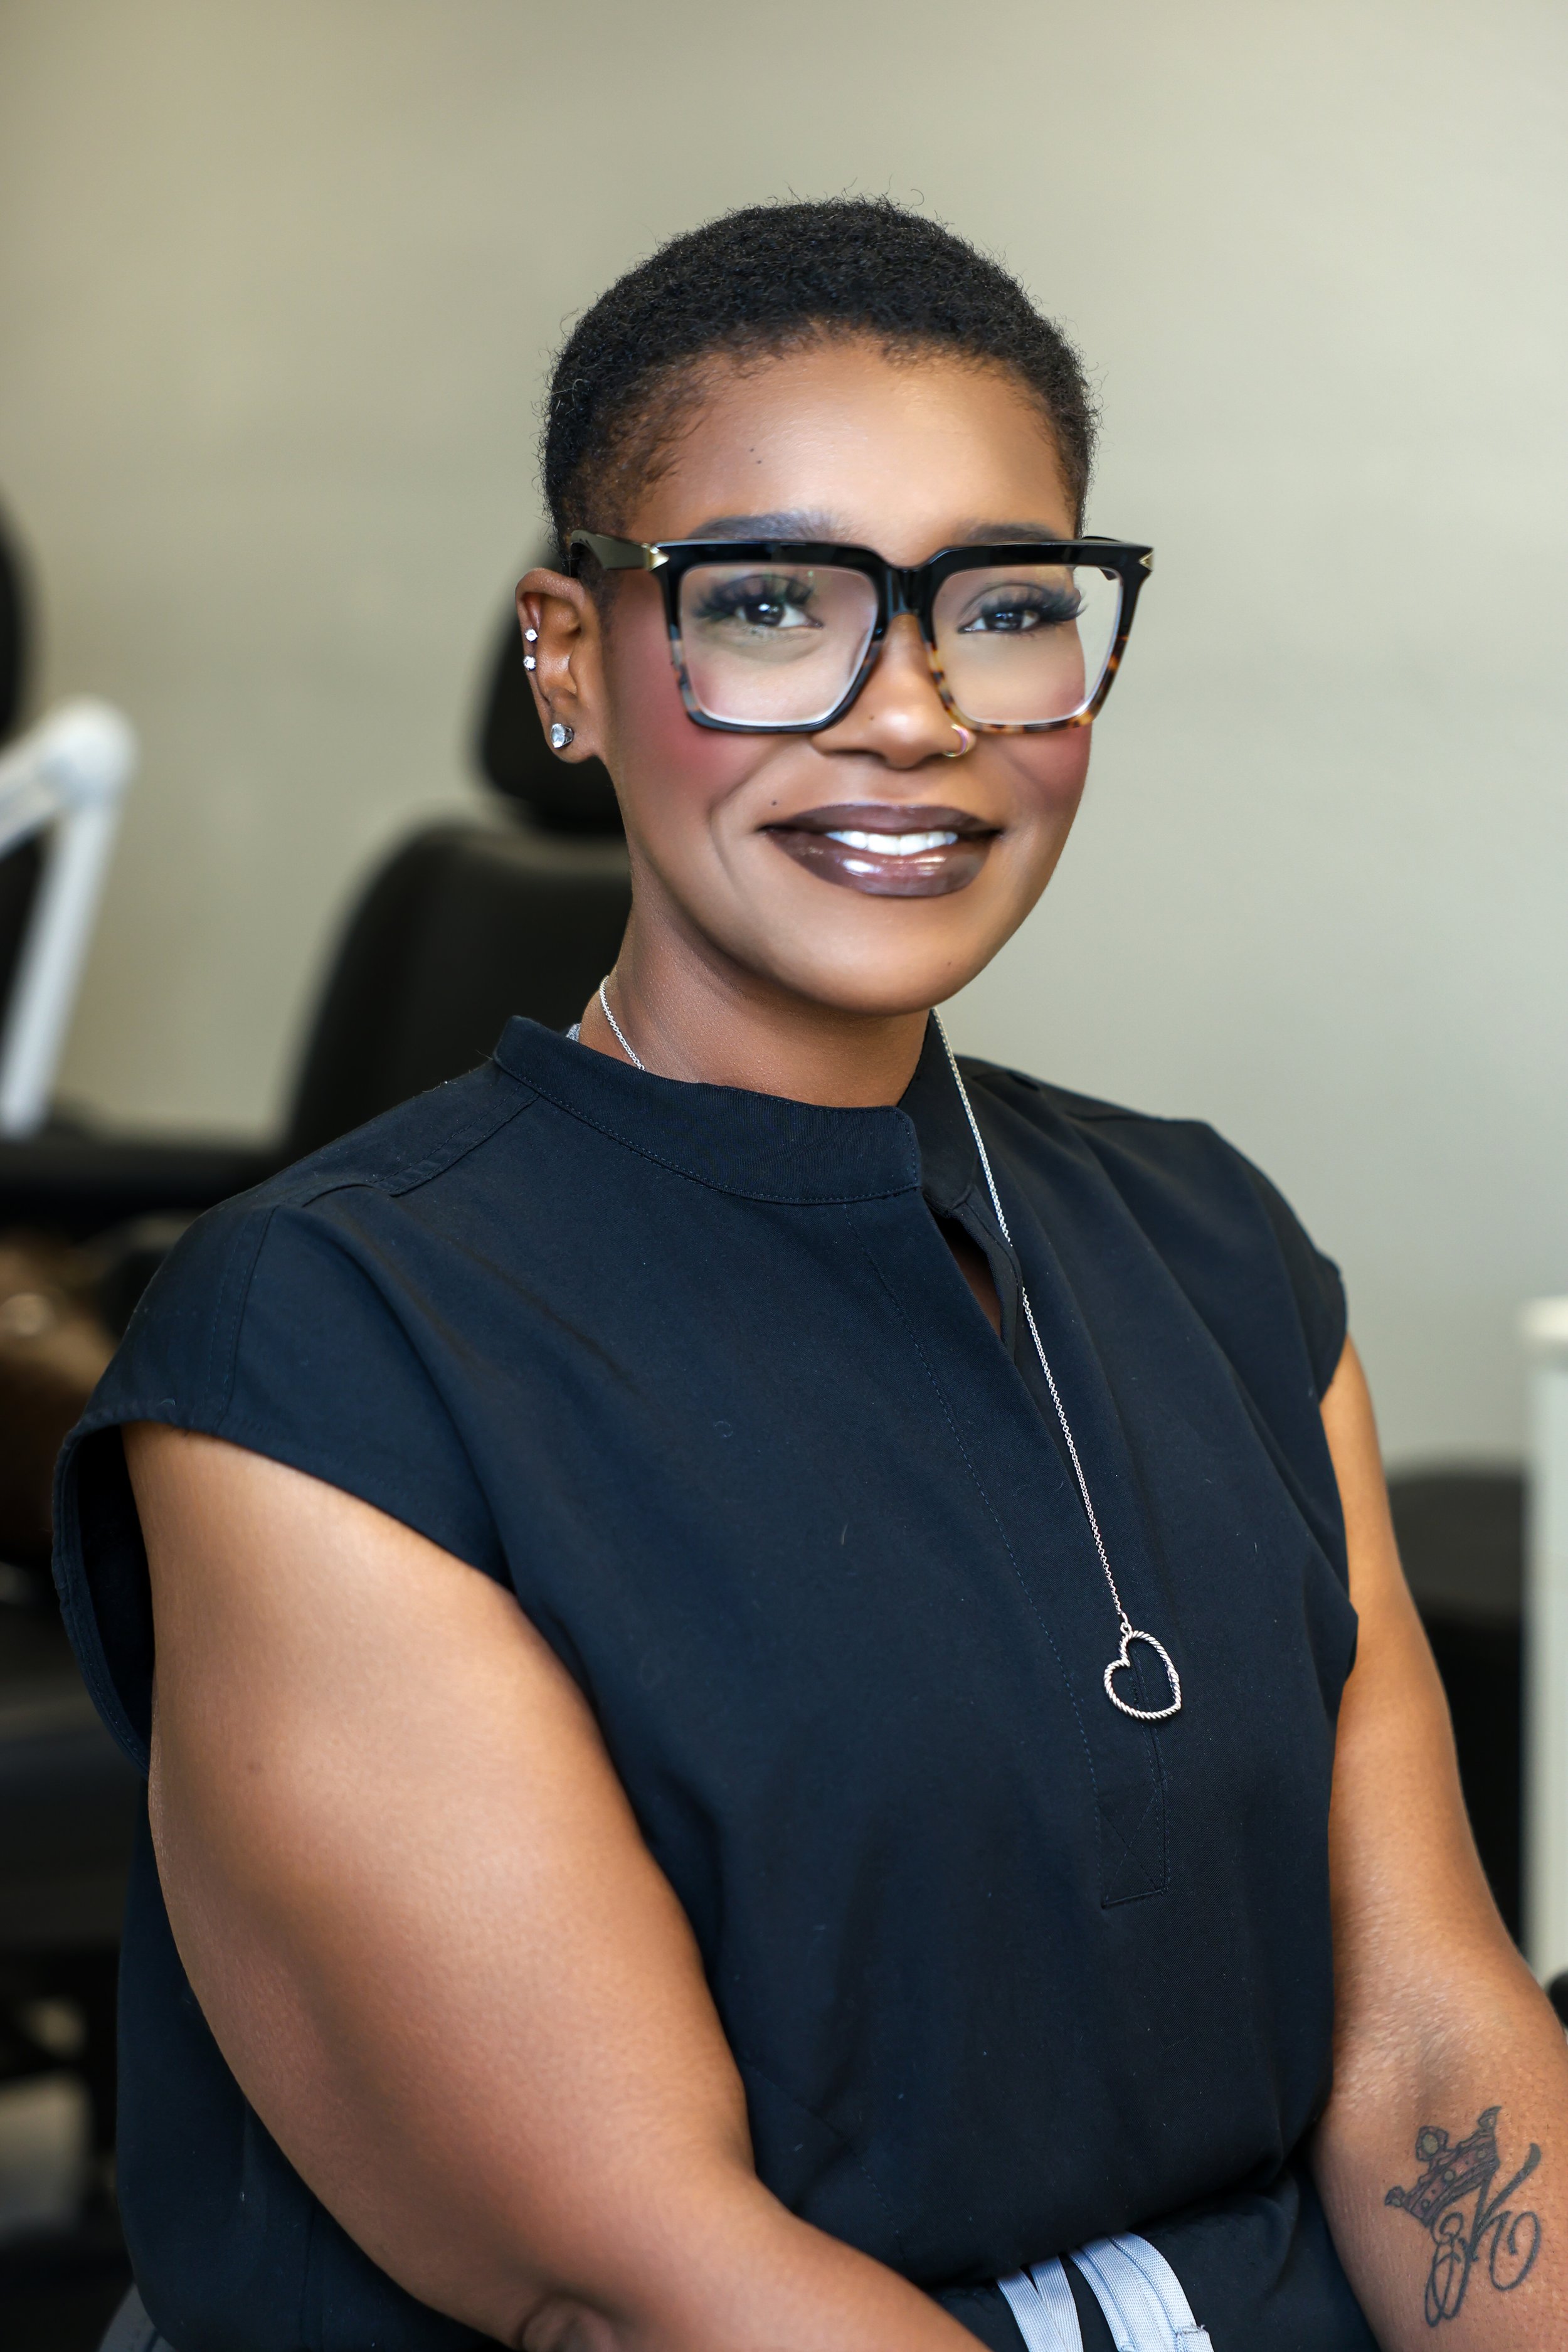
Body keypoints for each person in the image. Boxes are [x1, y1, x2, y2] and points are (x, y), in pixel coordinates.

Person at [57, 199, 1566, 2352]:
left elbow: (1434, 2064)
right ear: (568, 656)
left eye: (1005, 606)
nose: (914, 714)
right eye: (771, 605)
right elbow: (645, 2282)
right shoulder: (329, 1350)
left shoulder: (1219, 1254)